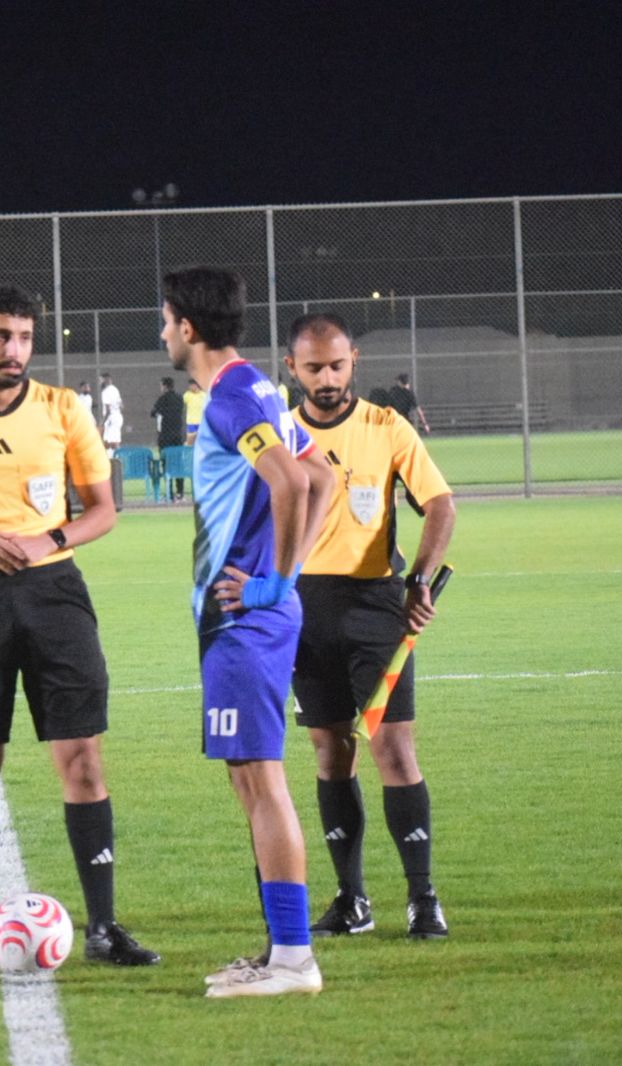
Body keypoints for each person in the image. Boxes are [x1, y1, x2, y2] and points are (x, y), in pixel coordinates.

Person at [0, 285, 160, 973]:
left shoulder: (63, 409)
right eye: (2, 336)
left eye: (23, 337)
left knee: (83, 757)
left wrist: (51, 539)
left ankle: (104, 926)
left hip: (54, 594)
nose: (14, 349)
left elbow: (103, 509)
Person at [158, 265, 333, 998]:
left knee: (262, 784)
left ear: (188, 327)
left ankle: (293, 959)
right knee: (250, 781)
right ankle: (278, 950)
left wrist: (274, 583)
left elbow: (291, 482)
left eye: (166, 321)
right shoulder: (257, 389)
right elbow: (322, 476)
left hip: (243, 623)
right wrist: (283, 579)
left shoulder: (232, 398)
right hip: (249, 618)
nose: (163, 333)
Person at [284, 313, 456, 941]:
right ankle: (351, 899)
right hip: (302, 611)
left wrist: (421, 579)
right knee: (330, 752)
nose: (327, 379)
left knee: (394, 751)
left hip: (375, 608)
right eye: (313, 368)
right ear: (292, 369)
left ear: (353, 359)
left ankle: (422, 897)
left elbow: (440, 505)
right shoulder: (277, 436)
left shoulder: (386, 427)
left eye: (336, 366)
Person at [151, 377, 186, 500]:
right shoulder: (179, 398)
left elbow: (153, 412)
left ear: (165, 386)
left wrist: (161, 412)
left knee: (166, 464)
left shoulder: (163, 398)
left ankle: (169, 492)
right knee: (178, 463)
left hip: (165, 437)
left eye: (161, 385)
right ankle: (180, 492)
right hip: (177, 436)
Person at [183, 378, 206, 445]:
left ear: (196, 385)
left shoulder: (204, 395)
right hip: (191, 422)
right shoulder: (187, 395)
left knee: (201, 440)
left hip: (201, 422)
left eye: (191, 385)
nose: (190, 387)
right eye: (189, 385)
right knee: (190, 441)